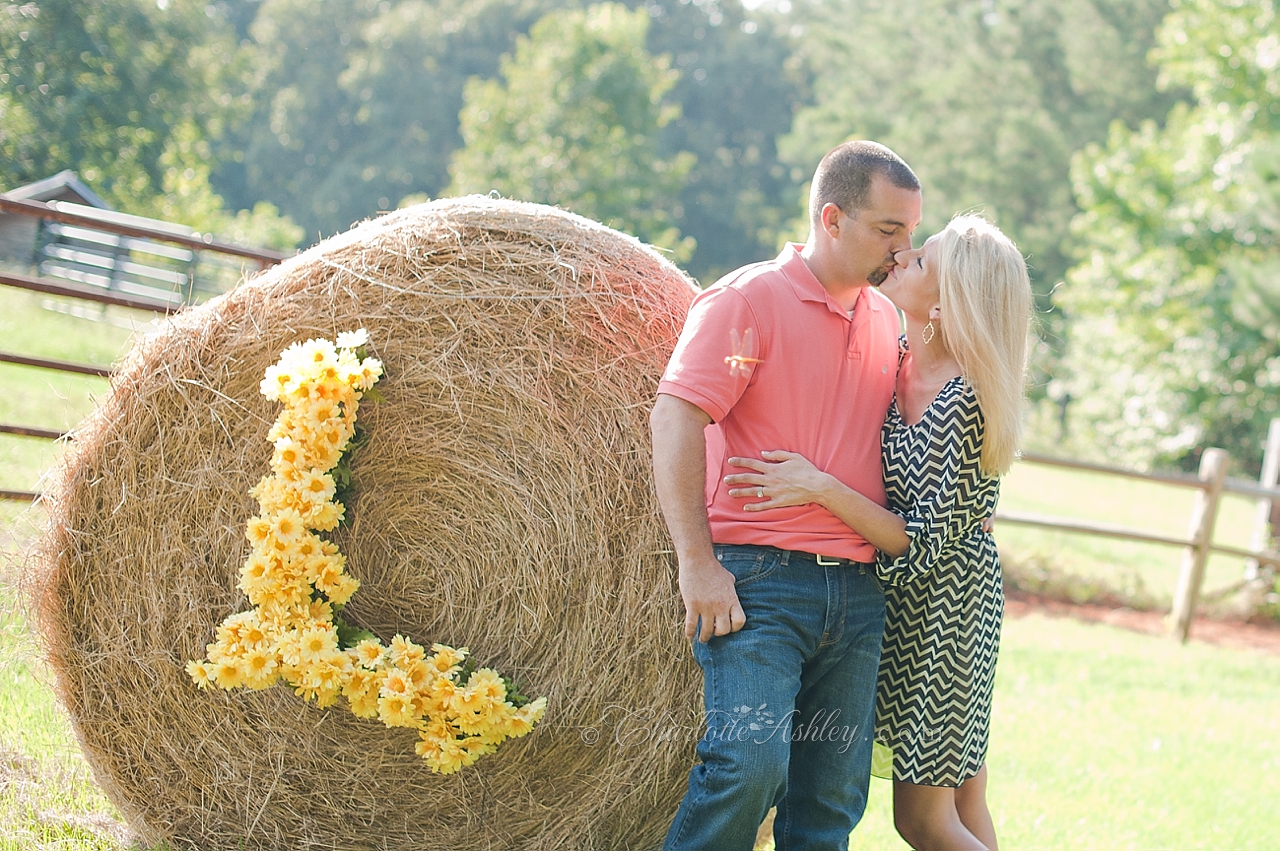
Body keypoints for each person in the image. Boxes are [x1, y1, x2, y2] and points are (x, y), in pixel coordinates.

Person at [723, 214, 1033, 850]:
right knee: (966, 800)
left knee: (923, 820)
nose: (903, 257)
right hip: (901, 605)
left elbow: (919, 543)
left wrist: (818, 487)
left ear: (946, 305)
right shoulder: (898, 362)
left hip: (944, 617)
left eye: (922, 261)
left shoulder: (960, 402)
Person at [650, 140, 922, 851]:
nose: (903, 250)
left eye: (911, 233)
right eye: (888, 230)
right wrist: (697, 564)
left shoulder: (886, 320)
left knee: (831, 803)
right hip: (759, 585)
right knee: (748, 765)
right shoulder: (747, 300)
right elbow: (676, 415)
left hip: (860, 594)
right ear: (831, 219)